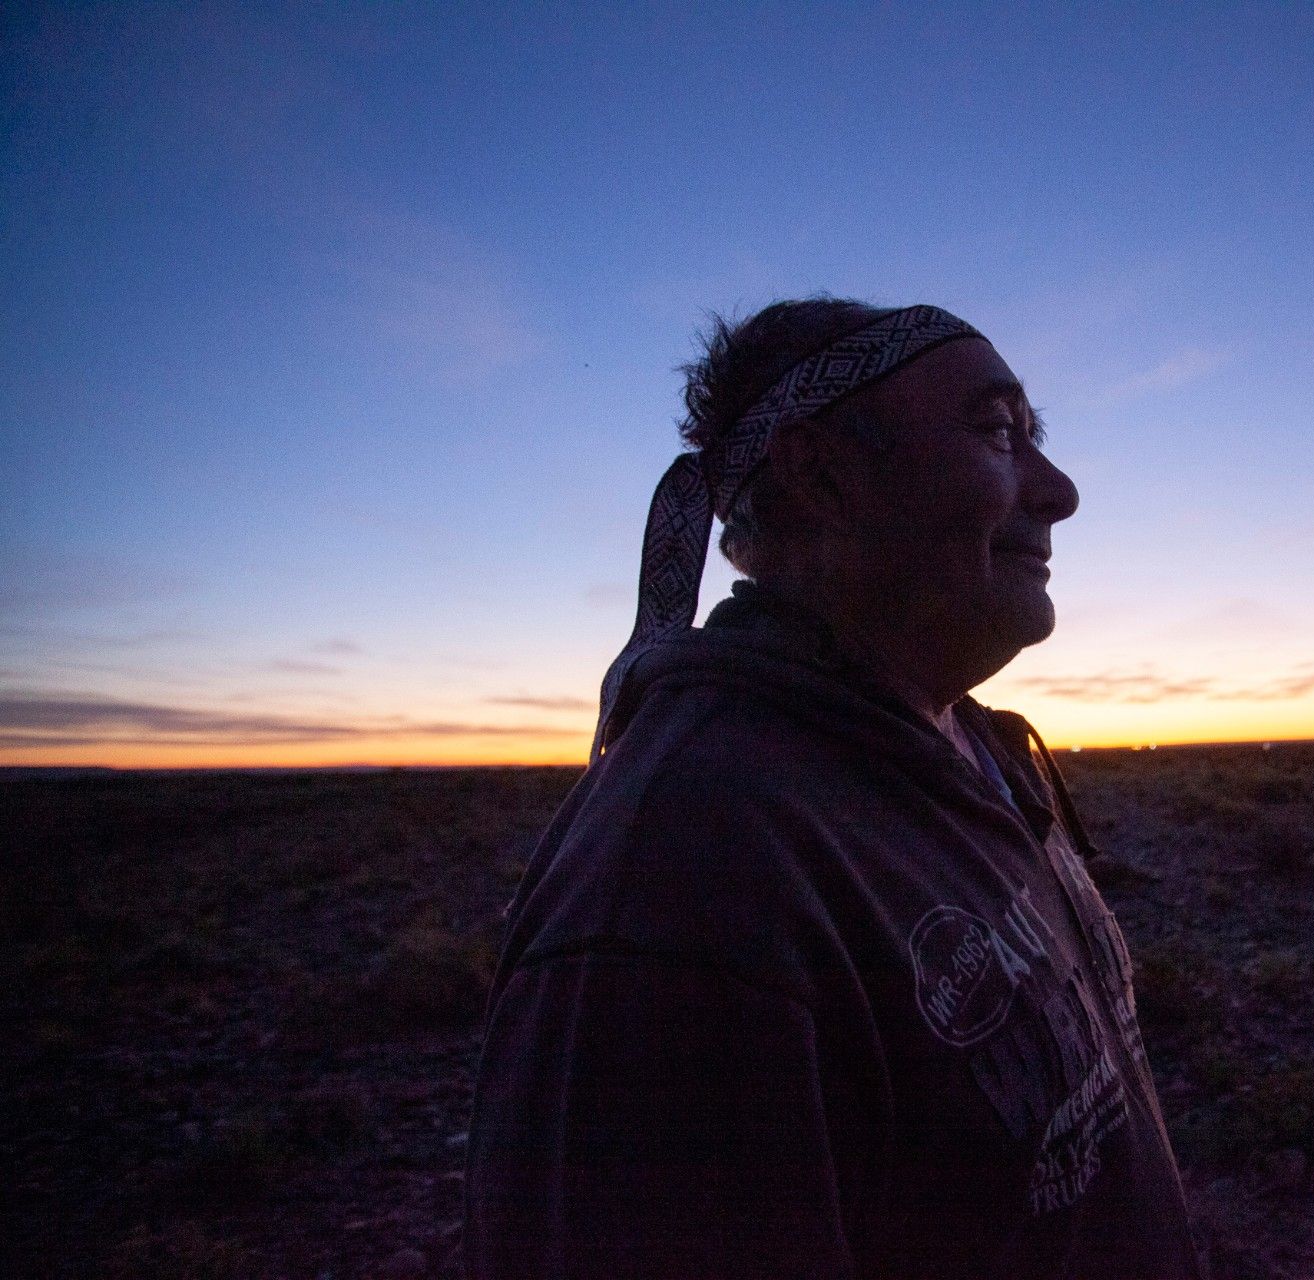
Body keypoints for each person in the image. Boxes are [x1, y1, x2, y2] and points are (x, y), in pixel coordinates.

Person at [465, 299, 1204, 1279]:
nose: (1060, 489)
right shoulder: (685, 875)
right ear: (820, 473)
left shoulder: (973, 751)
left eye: (1038, 438)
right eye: (997, 431)